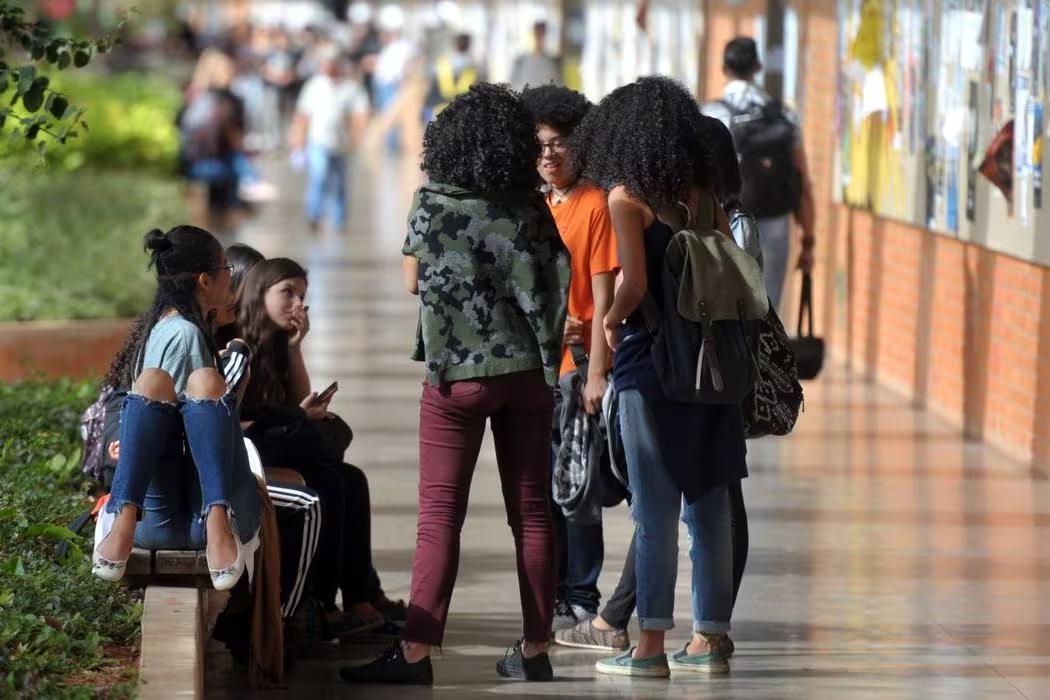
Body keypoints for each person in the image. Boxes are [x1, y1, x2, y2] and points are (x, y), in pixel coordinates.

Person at [341, 83, 571, 686]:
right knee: (533, 513)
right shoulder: (530, 207)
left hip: (455, 380)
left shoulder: (431, 203)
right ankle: (536, 647)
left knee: (440, 515)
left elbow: (412, 283)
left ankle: (416, 654)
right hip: (525, 375)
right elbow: (552, 289)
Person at [554, 116, 755, 658]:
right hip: (711, 364)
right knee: (711, 504)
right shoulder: (703, 198)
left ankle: (647, 648)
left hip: (654, 366)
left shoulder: (627, 198)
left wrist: (612, 320)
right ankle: (710, 637)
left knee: (656, 511)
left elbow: (635, 282)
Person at [234, 258, 400, 638]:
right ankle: (324, 604)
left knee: (351, 478)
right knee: (328, 480)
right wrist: (293, 416)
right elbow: (229, 421)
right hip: (248, 453)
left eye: (302, 296)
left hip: (271, 445)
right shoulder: (238, 347)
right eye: (286, 293)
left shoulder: (275, 344)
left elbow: (297, 398)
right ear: (259, 294)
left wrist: (295, 349)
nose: (297, 304)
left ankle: (360, 597)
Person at [92, 226, 261, 592]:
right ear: (204, 281)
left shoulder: (162, 326)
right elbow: (188, 436)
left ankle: (123, 517)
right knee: (204, 384)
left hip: (154, 519)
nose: (230, 276)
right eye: (225, 269)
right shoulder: (184, 336)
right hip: (190, 509)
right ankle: (217, 517)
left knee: (162, 383)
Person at [520, 84, 618, 632]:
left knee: (577, 487)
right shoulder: (530, 206)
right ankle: (552, 590)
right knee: (539, 488)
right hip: (533, 369)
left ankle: (581, 591)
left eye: (559, 143)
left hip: (575, 368)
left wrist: (597, 372)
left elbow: (604, 299)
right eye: (540, 145)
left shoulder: (596, 204)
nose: (550, 154)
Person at [702, 36, 815, 311]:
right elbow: (803, 182)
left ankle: (733, 353)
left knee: (725, 306)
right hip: (775, 220)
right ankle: (760, 352)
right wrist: (808, 240)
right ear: (758, 67)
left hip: (725, 220)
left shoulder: (710, 114)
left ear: (724, 68)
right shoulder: (784, 117)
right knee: (767, 303)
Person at [290, 49, 371, 233]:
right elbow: (303, 115)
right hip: (318, 141)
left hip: (342, 145)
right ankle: (314, 214)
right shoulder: (314, 86)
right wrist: (298, 141)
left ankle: (339, 218)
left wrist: (356, 138)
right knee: (319, 177)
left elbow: (361, 114)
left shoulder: (351, 88)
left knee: (340, 182)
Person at [424, 33, 480, 121]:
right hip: (462, 115)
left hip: (438, 112)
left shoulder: (441, 64)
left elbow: (430, 92)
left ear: (454, 45)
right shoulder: (474, 69)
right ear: (469, 46)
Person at [510, 21, 561, 90]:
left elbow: (558, 86)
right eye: (537, 35)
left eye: (542, 35)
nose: (539, 39)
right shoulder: (520, 61)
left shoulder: (552, 63)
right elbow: (513, 85)